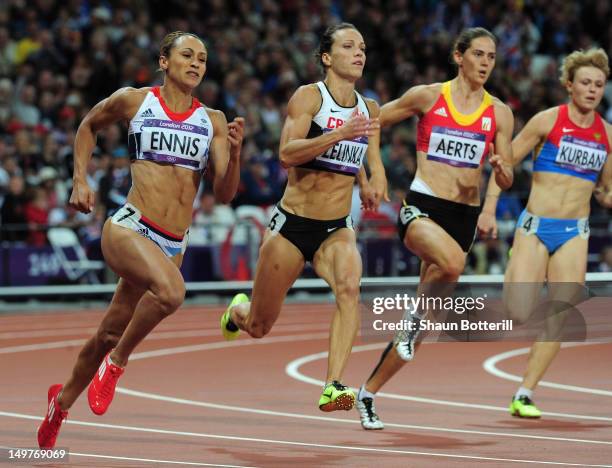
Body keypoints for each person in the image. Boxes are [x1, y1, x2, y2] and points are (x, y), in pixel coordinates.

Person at [37, 31, 244, 448]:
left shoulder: (214, 121)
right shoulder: (135, 101)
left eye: (202, 59)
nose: (196, 64)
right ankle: (115, 367)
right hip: (130, 227)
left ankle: (59, 404)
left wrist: (235, 155)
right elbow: (88, 125)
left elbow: (224, 194)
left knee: (109, 331)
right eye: (187, 55)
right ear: (164, 61)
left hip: (173, 243)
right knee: (171, 294)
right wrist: (80, 179)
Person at [220, 23, 387, 412]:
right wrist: (338, 134)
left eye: (362, 47)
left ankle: (334, 386)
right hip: (292, 226)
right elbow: (286, 153)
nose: (359, 53)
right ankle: (237, 311)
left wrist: (371, 182)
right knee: (260, 327)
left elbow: (373, 161)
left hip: (336, 227)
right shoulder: (310, 97)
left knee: (349, 289)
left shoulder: (370, 109)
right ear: (327, 58)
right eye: (349, 47)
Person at [355, 27, 514, 430]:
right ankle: (411, 321)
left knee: (420, 332)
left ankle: (367, 394)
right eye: (477, 54)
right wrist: (373, 173)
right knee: (453, 266)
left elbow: (507, 172)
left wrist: (501, 171)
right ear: (458, 56)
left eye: (491, 57)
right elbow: (371, 119)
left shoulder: (500, 113)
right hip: (421, 208)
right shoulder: (428, 96)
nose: (484, 63)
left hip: (464, 217)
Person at [480, 48, 611, 418]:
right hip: (536, 228)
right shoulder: (546, 121)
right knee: (519, 313)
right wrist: (489, 208)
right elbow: (504, 165)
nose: (592, 89)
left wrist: (608, 194)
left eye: (599, 85)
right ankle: (515, 260)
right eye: (585, 82)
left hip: (575, 233)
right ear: (570, 85)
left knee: (561, 315)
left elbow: (607, 191)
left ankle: (524, 393)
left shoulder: (607, 135)